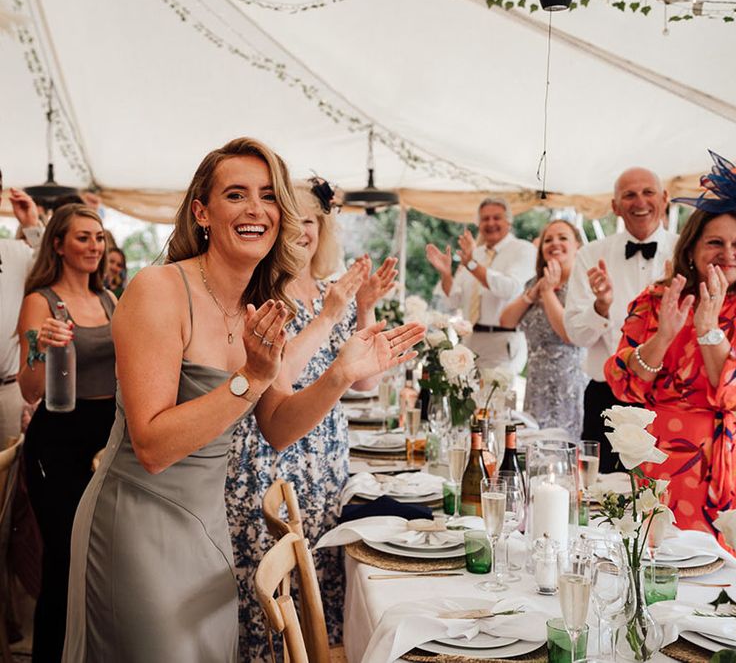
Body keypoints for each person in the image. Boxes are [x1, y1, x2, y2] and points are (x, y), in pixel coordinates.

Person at [62, 137, 423, 662]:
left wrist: (341, 374)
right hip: (139, 521)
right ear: (203, 212)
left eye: (269, 196)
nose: (257, 209)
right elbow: (154, 446)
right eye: (237, 195)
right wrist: (251, 377)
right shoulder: (159, 290)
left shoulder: (259, 302)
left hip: (209, 524)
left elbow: (275, 426)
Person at [226, 181, 396, 660]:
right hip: (272, 455)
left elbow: (363, 383)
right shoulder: (264, 291)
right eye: (293, 218)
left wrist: (363, 307)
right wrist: (329, 315)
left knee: (316, 588)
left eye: (312, 220)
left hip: (324, 458)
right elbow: (274, 375)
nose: (303, 230)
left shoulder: (329, 290)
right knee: (273, 602)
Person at [605, 153, 736, 548]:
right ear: (692, 247)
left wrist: (709, 331)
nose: (728, 253)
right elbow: (624, 384)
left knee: (732, 587)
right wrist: (663, 337)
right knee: (663, 571)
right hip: (665, 465)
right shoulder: (658, 299)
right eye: (715, 242)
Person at [16, 204, 116, 663]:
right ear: (58, 244)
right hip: (56, 442)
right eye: (83, 237)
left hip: (108, 442)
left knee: (101, 560)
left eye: (99, 237)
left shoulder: (111, 300)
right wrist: (41, 347)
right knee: (63, 558)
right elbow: (30, 388)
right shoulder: (41, 300)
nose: (95, 246)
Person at [564, 167, 677, 472]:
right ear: (615, 206)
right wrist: (601, 306)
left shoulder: (685, 251)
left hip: (670, 398)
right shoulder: (590, 255)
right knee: (602, 501)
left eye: (648, 192)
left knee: (664, 499)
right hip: (607, 398)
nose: (639, 201)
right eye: (629, 195)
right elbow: (576, 335)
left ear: (664, 198)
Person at [500, 220, 587, 439]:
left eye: (563, 238)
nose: (554, 243)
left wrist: (548, 293)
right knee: (533, 452)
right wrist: (534, 291)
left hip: (569, 387)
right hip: (536, 384)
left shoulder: (583, 284)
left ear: (578, 245)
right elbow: (506, 321)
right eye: (548, 240)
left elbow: (569, 333)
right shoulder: (535, 283)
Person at [426, 197, 536, 373]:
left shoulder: (523, 249)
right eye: (485, 219)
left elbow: (509, 289)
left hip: (504, 340)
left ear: (508, 221)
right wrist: (446, 273)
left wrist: (472, 265)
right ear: (479, 224)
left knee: (497, 398)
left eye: (496, 217)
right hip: (471, 340)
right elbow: (454, 300)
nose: (490, 223)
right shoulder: (474, 254)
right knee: (467, 398)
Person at [0, 183, 44, 443]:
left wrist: (32, 225)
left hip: (7, 390)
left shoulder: (15, 251)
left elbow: (52, 268)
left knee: (7, 478)